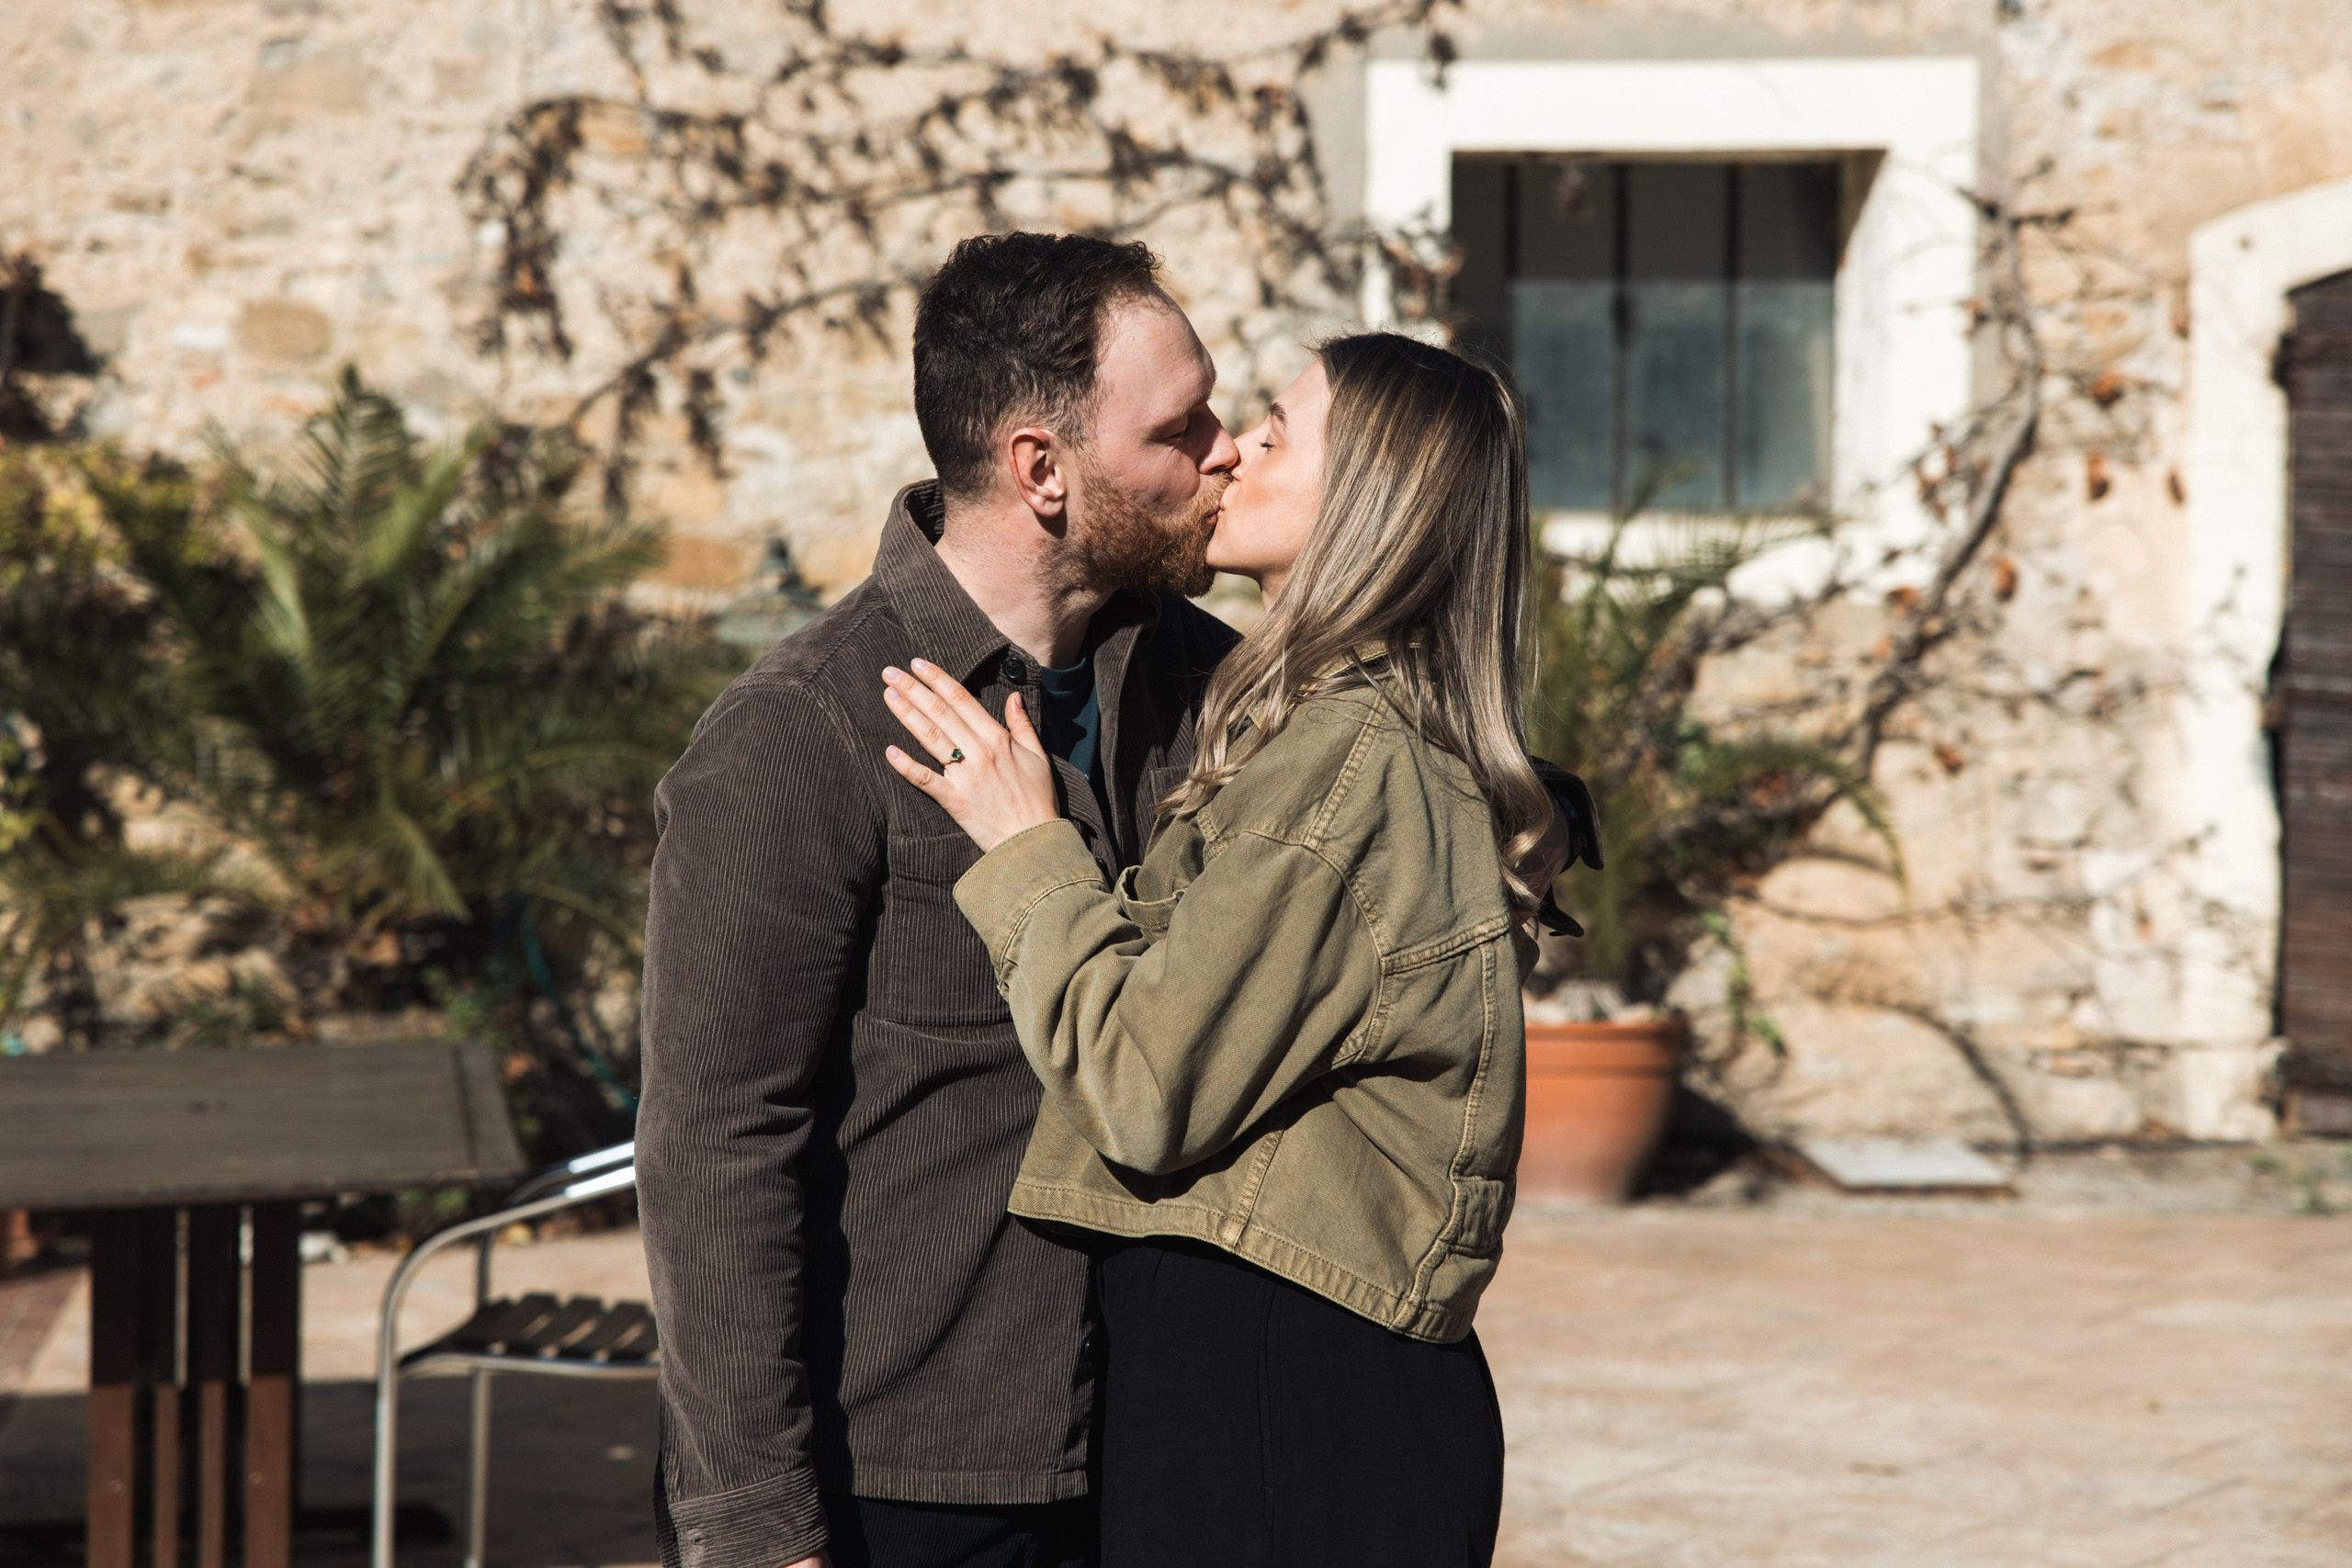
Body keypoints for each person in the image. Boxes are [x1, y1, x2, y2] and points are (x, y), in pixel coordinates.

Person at [877, 331, 1599, 1568]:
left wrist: (1024, 845)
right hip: (1280, 1371)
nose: (1232, 451)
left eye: (1277, 428)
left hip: (1282, 1383)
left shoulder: (1351, 759)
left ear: (1371, 505)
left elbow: (1148, 1085)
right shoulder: (1333, 731)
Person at [633, 232, 1243, 1568]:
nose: (1227, 448)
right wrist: (753, 1528)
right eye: (1178, 425)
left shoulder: (1213, 689)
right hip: (907, 1485)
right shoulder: (797, 738)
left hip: (1164, 1454)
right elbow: (716, 1148)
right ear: (1042, 470)